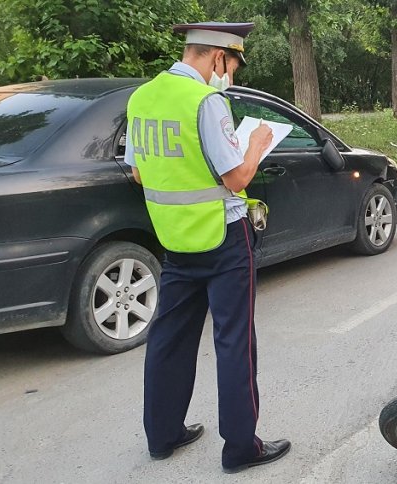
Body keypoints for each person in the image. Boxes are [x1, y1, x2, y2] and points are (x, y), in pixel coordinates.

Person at [124, 21, 291, 473]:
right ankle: (241, 449)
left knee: (168, 339)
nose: (229, 76)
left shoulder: (142, 97)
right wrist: (256, 144)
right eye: (231, 66)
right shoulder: (206, 101)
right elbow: (236, 177)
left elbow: (138, 172)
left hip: (175, 240)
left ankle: (162, 436)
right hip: (223, 237)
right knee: (234, 342)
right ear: (219, 58)